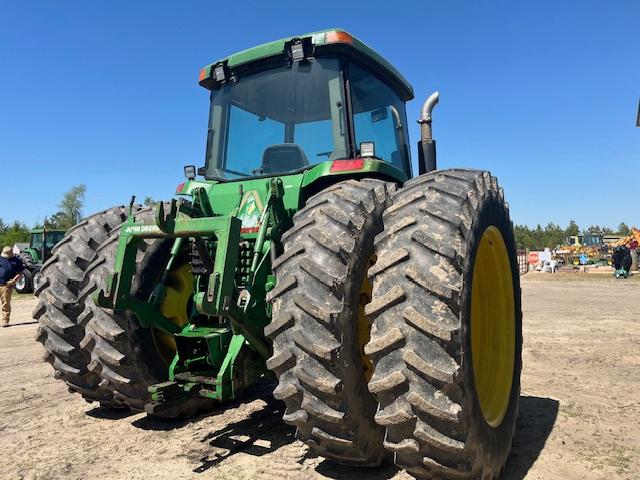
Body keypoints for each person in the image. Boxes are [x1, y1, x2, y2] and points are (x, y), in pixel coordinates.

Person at [0, 246, 25, 327]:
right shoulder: (0, 259)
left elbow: (20, 272)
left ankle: (5, 320)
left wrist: (14, 280)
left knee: (6, 304)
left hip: (7, 285)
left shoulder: (16, 261)